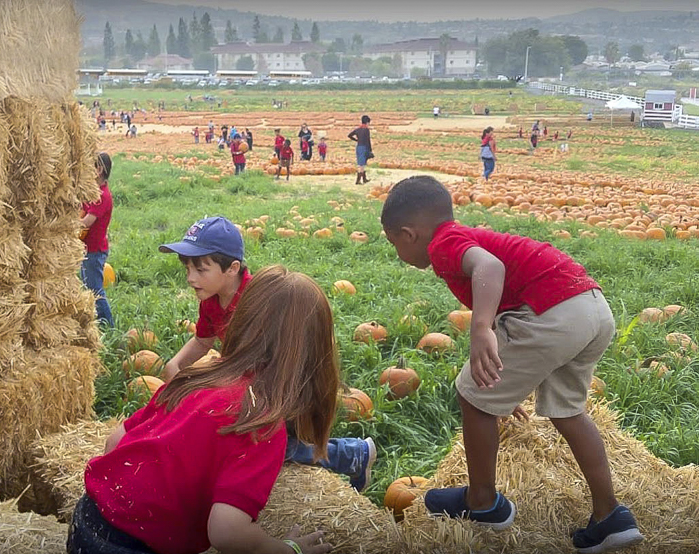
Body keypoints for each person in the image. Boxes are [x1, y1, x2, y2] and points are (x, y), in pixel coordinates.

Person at [380, 176, 644, 554]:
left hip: (553, 310)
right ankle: (610, 516)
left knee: (472, 395)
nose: (396, 252)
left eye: (394, 244)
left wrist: (481, 328)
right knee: (568, 411)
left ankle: (482, 503)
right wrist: (509, 387)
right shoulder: (459, 235)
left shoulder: (442, 245)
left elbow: (490, 269)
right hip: (591, 307)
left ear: (409, 234)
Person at [67, 265, 337, 554]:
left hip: (85, 522)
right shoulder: (260, 422)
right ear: (315, 353)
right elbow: (226, 532)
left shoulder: (193, 377)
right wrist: (286, 549)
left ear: (239, 320)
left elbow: (113, 443)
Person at [158, 217, 376, 491]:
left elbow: (280, 357)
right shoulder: (211, 300)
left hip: (285, 381)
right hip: (252, 383)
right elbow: (202, 342)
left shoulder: (260, 299)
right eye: (187, 268)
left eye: (200, 269)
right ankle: (351, 453)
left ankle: (350, 454)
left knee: (264, 445)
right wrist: (176, 364)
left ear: (232, 268)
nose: (191, 278)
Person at [79, 153, 115, 328]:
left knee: (95, 291)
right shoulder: (93, 192)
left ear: (99, 170)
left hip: (94, 251)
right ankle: (96, 323)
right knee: (88, 288)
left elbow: (86, 222)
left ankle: (108, 326)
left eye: (90, 167)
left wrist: (64, 226)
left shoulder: (103, 196)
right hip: (88, 249)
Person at [347, 115, 372, 185]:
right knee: (361, 165)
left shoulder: (358, 129)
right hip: (364, 147)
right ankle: (358, 180)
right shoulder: (366, 130)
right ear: (367, 122)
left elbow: (349, 135)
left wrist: (356, 140)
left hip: (358, 147)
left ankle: (364, 179)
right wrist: (370, 150)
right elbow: (368, 140)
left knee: (361, 163)